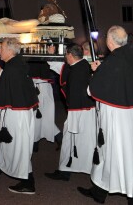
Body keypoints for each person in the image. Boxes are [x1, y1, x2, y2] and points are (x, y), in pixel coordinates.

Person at [77, 25, 133, 204]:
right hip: (132, 112)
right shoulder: (132, 55)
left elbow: (92, 90)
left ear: (110, 41)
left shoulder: (114, 61)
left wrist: (96, 72)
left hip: (117, 116)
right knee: (109, 153)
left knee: (122, 154)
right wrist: (102, 69)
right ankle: (99, 191)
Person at [0, 38, 39, 194]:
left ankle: (28, 182)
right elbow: (9, 84)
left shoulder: (13, 68)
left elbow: (3, 90)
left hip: (16, 115)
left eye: (2, 48)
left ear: (10, 50)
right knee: (8, 145)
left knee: (18, 147)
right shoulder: (17, 64)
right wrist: (0, 72)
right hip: (20, 112)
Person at [45, 43, 96, 182]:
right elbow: (60, 68)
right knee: (79, 141)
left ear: (70, 55)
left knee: (76, 141)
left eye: (66, 54)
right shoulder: (82, 65)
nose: (65, 57)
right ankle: (68, 170)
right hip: (85, 111)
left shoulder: (79, 69)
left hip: (79, 112)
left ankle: (72, 171)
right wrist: (51, 55)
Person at [29, 61, 62, 153]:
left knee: (37, 116)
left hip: (40, 87)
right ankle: (59, 137)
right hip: (41, 86)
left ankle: (35, 143)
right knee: (44, 117)